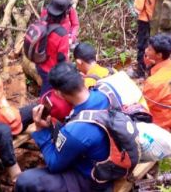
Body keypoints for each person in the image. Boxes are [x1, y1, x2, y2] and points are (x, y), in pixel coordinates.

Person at [15, 63, 112, 192]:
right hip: (111, 159)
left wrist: (41, 130)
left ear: (58, 93)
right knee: (58, 128)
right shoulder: (105, 91)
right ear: (82, 77)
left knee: (25, 180)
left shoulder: (75, 131)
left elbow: (54, 164)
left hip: (93, 178)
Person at [132, 0, 163, 78]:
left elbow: (138, 7)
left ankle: (140, 71)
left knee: (142, 46)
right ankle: (154, 69)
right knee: (155, 45)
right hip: (158, 20)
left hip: (145, 21)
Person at [36, 0, 71, 96]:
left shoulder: (42, 20)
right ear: (65, 12)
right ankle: (42, 107)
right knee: (47, 91)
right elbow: (62, 58)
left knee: (45, 84)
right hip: (51, 70)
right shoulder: (61, 34)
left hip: (39, 63)